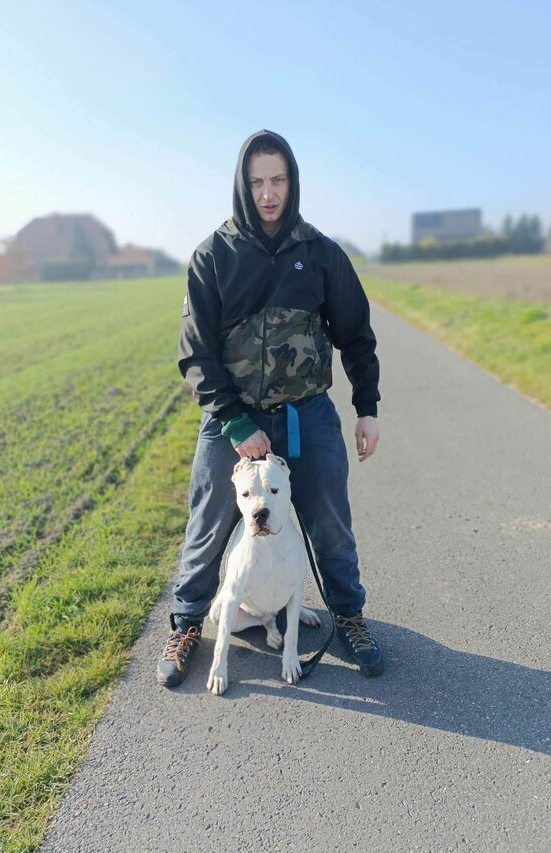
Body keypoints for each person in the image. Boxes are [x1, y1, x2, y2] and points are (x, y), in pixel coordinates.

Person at [157, 129, 382, 688]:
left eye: (278, 180)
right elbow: (196, 353)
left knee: (330, 521)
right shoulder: (213, 257)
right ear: (243, 184)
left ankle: (348, 616)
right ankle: (187, 623)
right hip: (232, 418)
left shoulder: (321, 253)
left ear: (292, 181)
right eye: (257, 182)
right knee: (209, 522)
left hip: (308, 415)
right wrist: (235, 423)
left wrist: (367, 406)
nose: (268, 193)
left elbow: (356, 334)